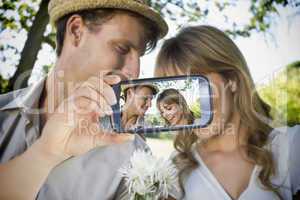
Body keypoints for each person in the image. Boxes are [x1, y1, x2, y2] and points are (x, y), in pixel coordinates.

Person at [0, 0, 168, 199]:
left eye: (139, 56)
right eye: (122, 48)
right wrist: (45, 152)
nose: (134, 72)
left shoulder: (136, 158)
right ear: (76, 31)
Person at [155, 25, 300, 200]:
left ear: (231, 80)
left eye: (195, 86)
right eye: (177, 93)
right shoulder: (176, 168)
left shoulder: (290, 147)